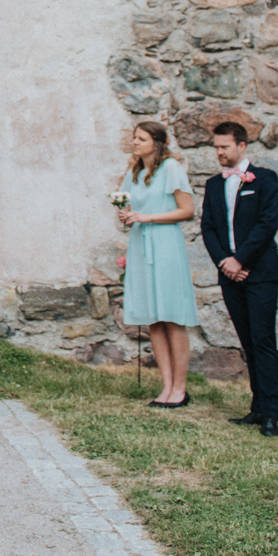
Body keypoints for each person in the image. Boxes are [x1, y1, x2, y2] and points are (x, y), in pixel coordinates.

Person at [197, 122, 278, 437]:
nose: (219, 152)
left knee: (263, 342)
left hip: (260, 273)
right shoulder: (213, 185)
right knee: (247, 342)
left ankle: (272, 414)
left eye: (225, 147)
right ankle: (257, 407)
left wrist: (240, 259)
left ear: (242, 146)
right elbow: (208, 227)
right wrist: (225, 262)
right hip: (230, 275)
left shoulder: (264, 179)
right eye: (216, 147)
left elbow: (267, 224)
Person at [115, 122, 199, 408]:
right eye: (134, 137)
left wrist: (147, 217)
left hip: (165, 245)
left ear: (157, 143)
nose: (135, 142)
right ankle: (165, 386)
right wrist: (126, 216)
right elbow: (126, 205)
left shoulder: (172, 168)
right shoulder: (134, 173)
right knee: (153, 316)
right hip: (140, 245)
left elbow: (187, 210)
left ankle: (180, 387)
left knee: (172, 314)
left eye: (142, 138)